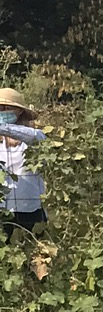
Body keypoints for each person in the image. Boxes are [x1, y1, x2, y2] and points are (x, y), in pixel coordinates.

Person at [0, 90, 48, 238]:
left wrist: (3, 128)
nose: (2, 112)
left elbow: (35, 136)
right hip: (2, 210)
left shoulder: (32, 137)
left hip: (29, 209)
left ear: (20, 112)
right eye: (0, 108)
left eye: (7, 108)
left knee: (32, 255)